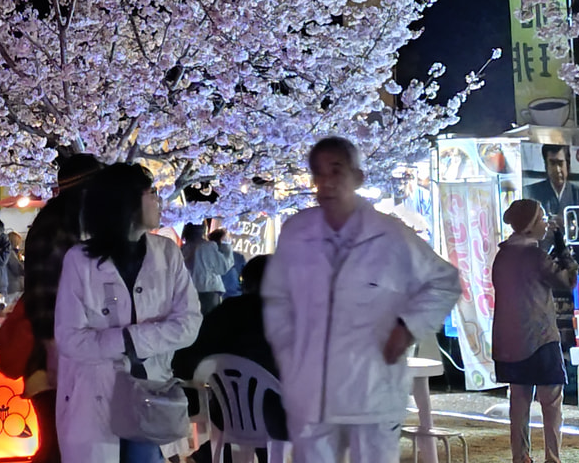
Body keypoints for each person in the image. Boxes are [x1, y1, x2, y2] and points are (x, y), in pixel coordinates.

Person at [262, 136, 460, 463]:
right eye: (318, 173)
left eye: (336, 171)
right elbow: (277, 300)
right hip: (312, 392)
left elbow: (444, 281)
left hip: (371, 387)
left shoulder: (390, 235)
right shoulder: (298, 232)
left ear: (358, 177)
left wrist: (407, 327)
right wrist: (289, 355)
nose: (326, 182)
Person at [55, 161, 201, 463]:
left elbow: (189, 324)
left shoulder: (167, 253)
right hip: (93, 397)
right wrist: (130, 341)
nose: (158, 201)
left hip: (150, 394)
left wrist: (129, 340)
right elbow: (70, 339)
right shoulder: (79, 261)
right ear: (127, 202)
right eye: (152, 193)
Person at [22, 152, 102, 463]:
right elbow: (44, 292)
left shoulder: (65, 222)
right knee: (58, 444)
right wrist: (51, 346)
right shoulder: (58, 227)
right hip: (54, 350)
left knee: (62, 443)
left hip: (64, 347)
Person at [173, 255, 286, 463]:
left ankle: (207, 454)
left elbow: (183, 362)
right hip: (284, 422)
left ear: (246, 282)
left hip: (228, 418)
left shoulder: (227, 312)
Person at [491, 199, 578, 463]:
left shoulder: (502, 256)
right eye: (541, 219)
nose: (545, 223)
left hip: (508, 341)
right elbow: (567, 280)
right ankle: (552, 457)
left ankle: (521, 456)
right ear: (529, 227)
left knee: (519, 402)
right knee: (551, 402)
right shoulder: (536, 257)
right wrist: (562, 248)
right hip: (539, 337)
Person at [524, 144, 579, 227]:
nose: (557, 170)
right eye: (552, 163)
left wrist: (568, 225)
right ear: (546, 166)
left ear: (568, 164)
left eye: (560, 163)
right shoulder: (531, 193)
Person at [182, 222, 235, 315]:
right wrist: (227, 246)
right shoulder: (208, 246)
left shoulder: (183, 249)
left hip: (188, 292)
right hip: (208, 292)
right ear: (203, 230)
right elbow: (223, 267)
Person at [7, 231, 25, 296]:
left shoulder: (8, 253)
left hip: (12, 287)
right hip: (13, 288)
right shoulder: (11, 253)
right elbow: (18, 269)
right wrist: (23, 261)